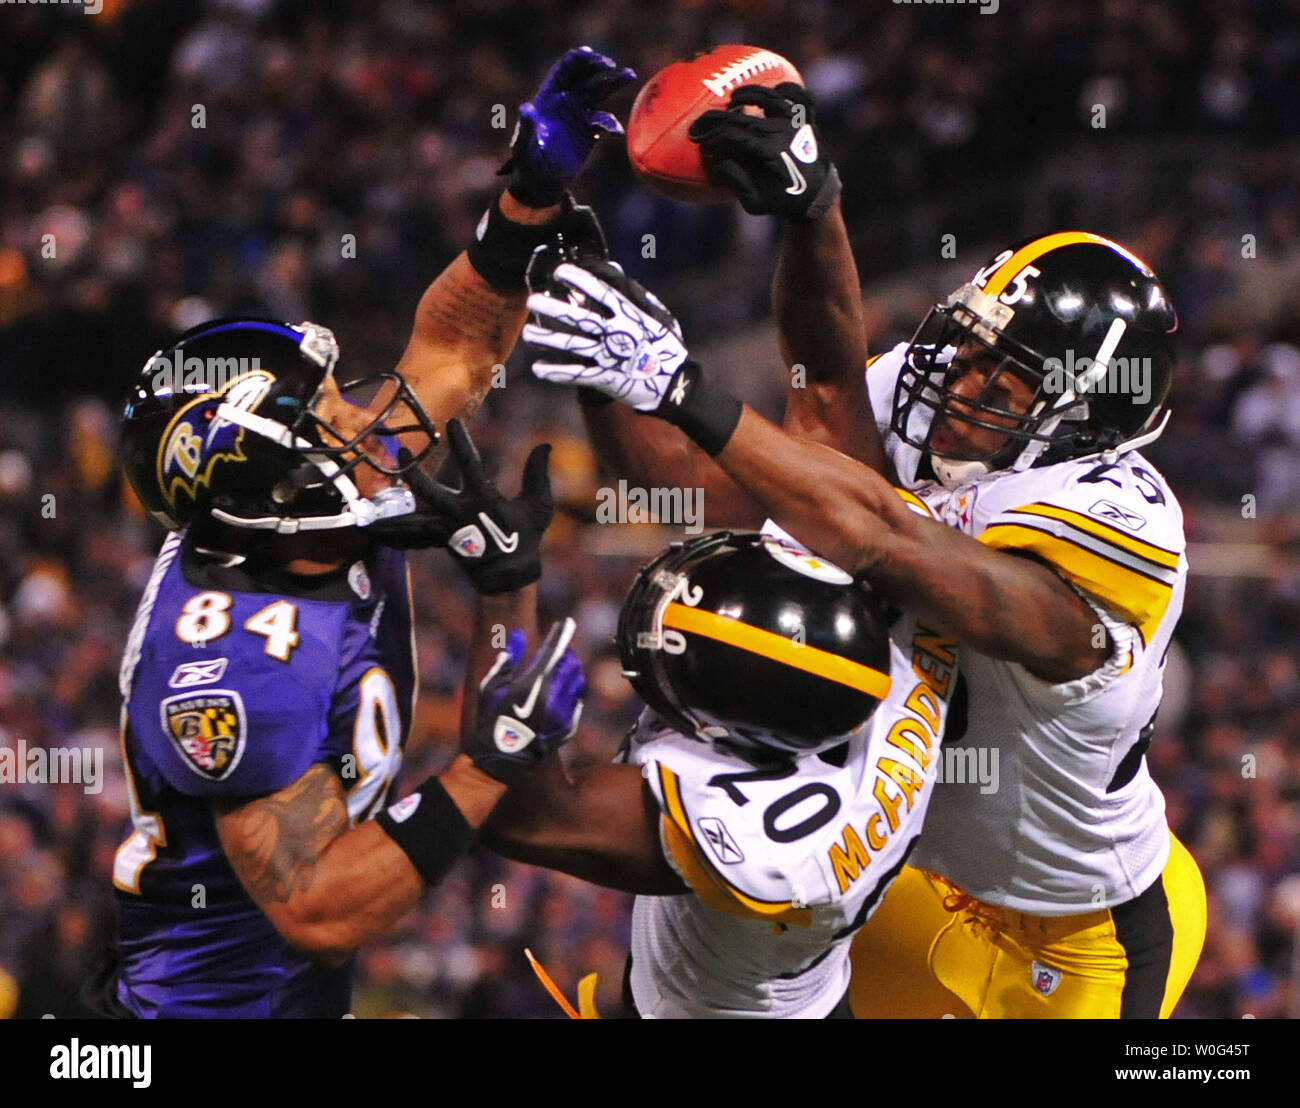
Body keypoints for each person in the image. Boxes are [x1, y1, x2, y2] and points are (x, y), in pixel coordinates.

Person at [521, 81, 1206, 1018]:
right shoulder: (947, 419)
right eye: (969, 346)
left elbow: (883, 536)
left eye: (1003, 381)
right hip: (919, 866)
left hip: (1076, 933)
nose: (959, 379)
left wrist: (676, 382)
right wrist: (811, 208)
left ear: (1078, 423)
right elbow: (794, 422)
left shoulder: (1119, 523)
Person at [103, 46, 631, 1017]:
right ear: (256, 476)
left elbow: (458, 348)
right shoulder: (225, 666)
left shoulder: (303, 506)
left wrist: (526, 202)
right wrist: (481, 768)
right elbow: (314, 905)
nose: (360, 416)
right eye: (321, 418)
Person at [477, 527, 960, 1018]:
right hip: (816, 986)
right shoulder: (884, 662)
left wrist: (504, 588)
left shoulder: (765, 842)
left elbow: (517, 820)